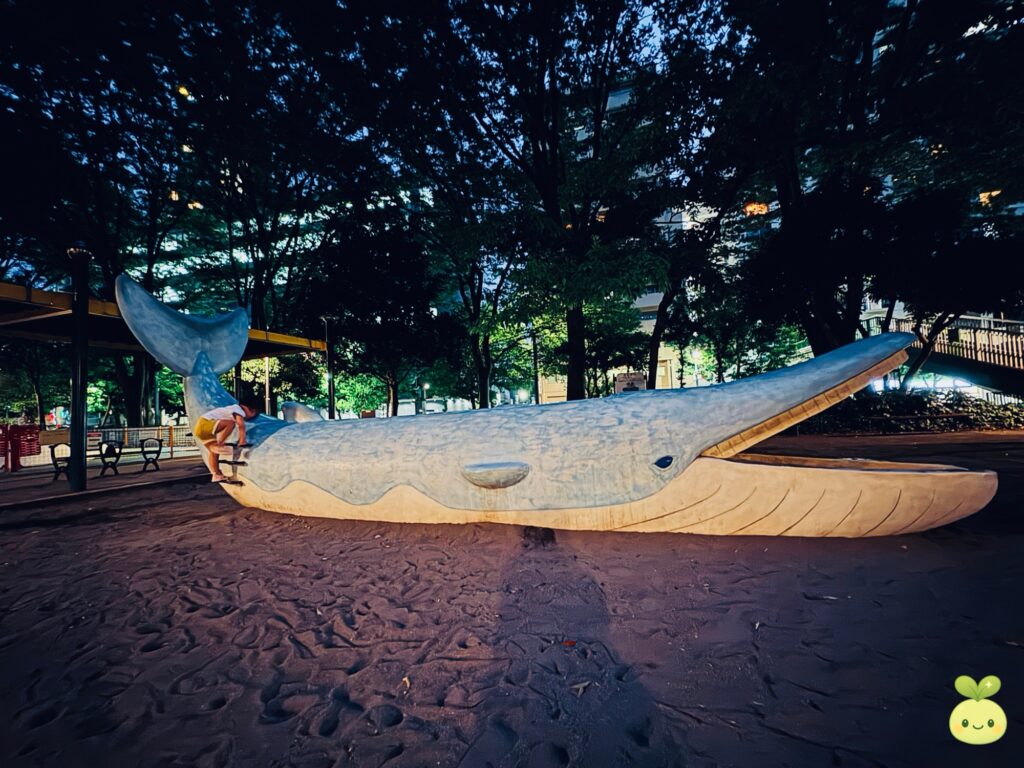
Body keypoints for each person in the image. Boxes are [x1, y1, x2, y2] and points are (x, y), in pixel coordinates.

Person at [194, 397, 259, 482]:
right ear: (251, 410)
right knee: (231, 423)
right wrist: (242, 440)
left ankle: (216, 475)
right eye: (254, 414)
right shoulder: (238, 409)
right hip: (205, 423)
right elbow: (241, 425)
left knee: (214, 452)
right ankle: (220, 442)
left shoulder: (231, 409)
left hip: (200, 428)